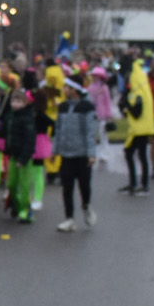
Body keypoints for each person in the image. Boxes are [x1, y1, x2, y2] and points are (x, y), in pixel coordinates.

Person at [52, 76, 99, 232]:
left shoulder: (86, 107)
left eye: (66, 87)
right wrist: (55, 150)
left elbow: (89, 132)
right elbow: (57, 130)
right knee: (67, 187)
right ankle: (69, 219)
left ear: (74, 90)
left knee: (84, 185)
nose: (63, 89)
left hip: (82, 155)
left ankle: (86, 206)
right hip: (66, 154)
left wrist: (91, 153)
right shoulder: (63, 107)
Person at [1, 83, 46, 222]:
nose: (15, 104)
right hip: (13, 156)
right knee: (11, 184)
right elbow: (4, 133)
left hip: (24, 158)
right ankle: (17, 204)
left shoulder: (27, 119)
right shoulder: (9, 116)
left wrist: (24, 157)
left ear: (25, 103)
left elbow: (30, 140)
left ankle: (25, 211)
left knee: (25, 185)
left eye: (18, 101)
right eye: (13, 101)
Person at [122, 59, 154, 193]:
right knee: (140, 155)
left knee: (132, 154)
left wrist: (127, 105)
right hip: (142, 128)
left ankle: (138, 184)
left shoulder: (138, 94)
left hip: (139, 130)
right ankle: (139, 183)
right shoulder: (143, 90)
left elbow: (136, 113)